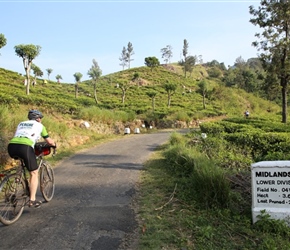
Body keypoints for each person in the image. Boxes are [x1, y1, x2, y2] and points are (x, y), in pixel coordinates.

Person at [7, 110, 56, 208]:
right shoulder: (40, 126)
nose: (41, 120)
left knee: (21, 162)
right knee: (33, 173)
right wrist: (54, 145)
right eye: (40, 118)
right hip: (25, 147)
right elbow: (49, 141)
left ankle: (16, 180)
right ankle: (32, 200)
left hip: (12, 146)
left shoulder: (21, 123)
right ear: (38, 119)